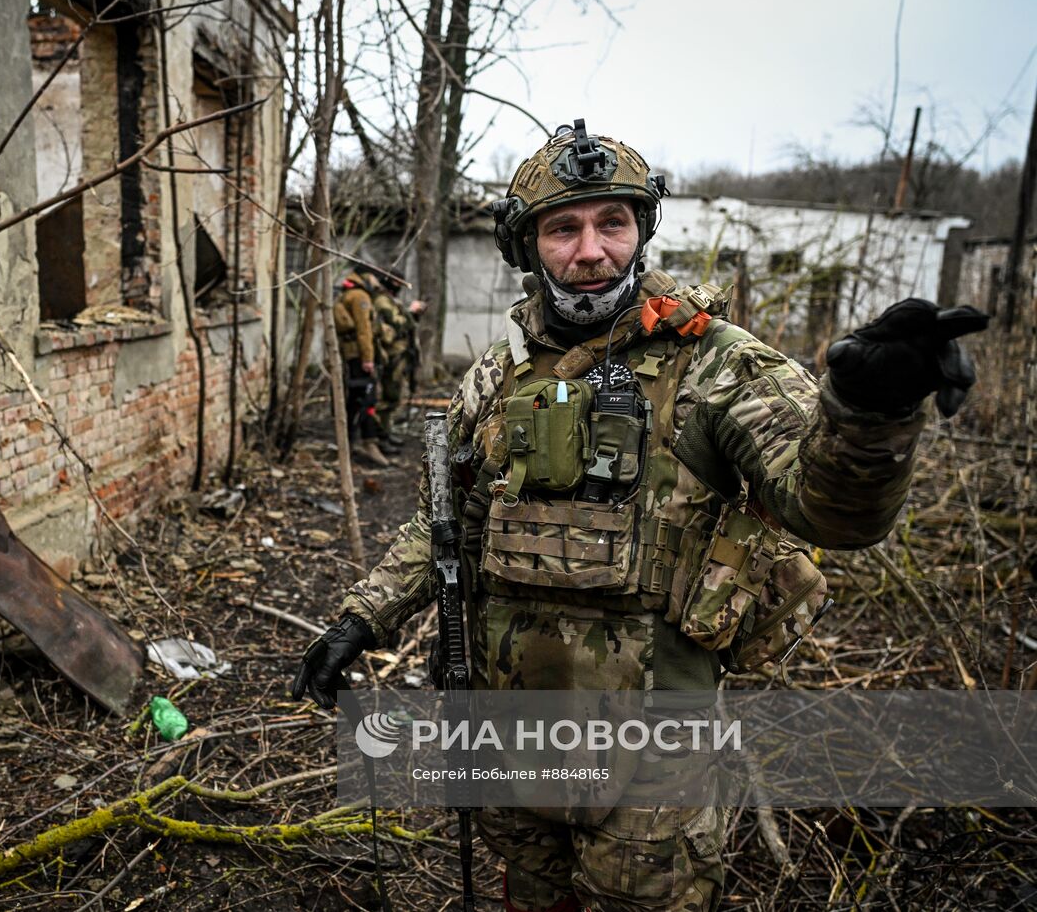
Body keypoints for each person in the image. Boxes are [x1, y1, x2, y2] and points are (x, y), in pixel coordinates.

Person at [293, 120, 987, 911]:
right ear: (528, 247)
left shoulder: (718, 363)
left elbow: (828, 507)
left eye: (611, 223)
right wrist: (362, 616)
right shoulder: (498, 372)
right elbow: (442, 523)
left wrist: (869, 411)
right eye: (563, 229)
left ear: (642, 230)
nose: (590, 252)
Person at [333, 268, 389, 467]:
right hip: (359, 357)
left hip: (350, 355)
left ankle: (349, 442)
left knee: (354, 400)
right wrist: (368, 359)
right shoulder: (359, 296)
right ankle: (368, 443)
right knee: (367, 399)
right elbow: (364, 330)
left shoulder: (347, 293)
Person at [370, 266, 425, 450]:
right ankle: (379, 437)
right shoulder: (382, 302)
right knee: (388, 397)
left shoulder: (390, 300)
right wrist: (411, 312)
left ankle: (385, 433)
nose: (398, 286)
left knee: (393, 397)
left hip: (398, 355)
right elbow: (398, 324)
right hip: (390, 356)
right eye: (396, 283)